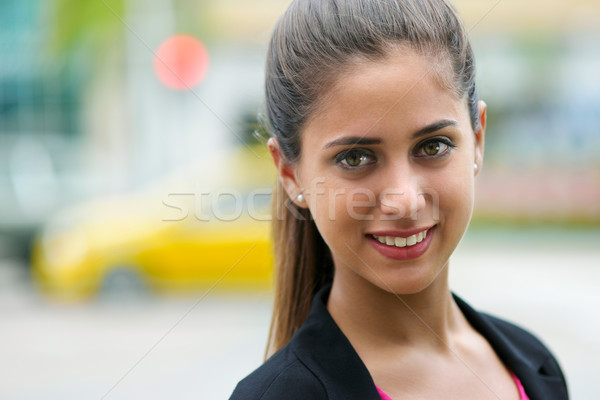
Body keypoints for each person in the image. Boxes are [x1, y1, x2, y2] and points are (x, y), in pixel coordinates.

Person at [230, 0, 569, 399]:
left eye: (433, 146)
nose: (404, 200)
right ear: (291, 174)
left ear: (477, 139)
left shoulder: (535, 364)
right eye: (355, 158)